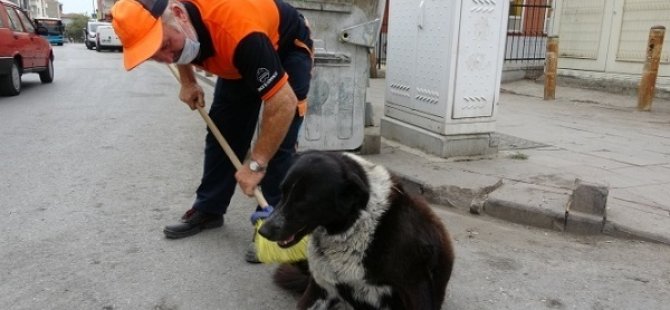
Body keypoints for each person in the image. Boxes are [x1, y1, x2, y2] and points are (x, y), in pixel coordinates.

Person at [111, 0, 313, 260]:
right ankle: (209, 209)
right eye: (154, 56)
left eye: (163, 47)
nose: (167, 58)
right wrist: (187, 80)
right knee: (223, 133)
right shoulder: (178, 27)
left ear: (179, 15)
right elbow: (178, 45)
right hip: (232, 55)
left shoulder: (240, 35)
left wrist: (256, 164)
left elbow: (283, 103)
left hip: (285, 44)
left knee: (278, 144)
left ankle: (274, 224)